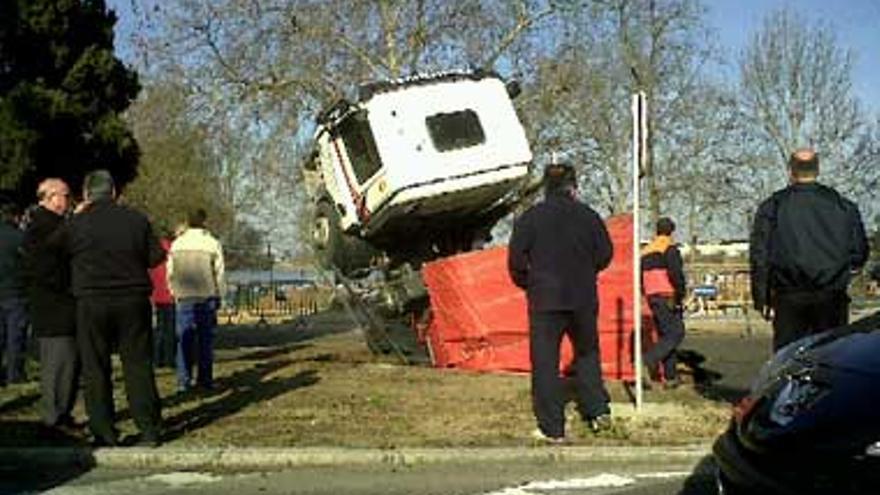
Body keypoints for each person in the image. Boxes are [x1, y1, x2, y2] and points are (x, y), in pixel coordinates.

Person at [507, 163, 614, 442]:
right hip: (582, 296)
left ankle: (552, 427)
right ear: (573, 187)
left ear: (545, 187)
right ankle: (597, 412)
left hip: (545, 299)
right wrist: (586, 271)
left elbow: (516, 262)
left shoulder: (531, 218)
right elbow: (605, 254)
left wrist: (529, 284)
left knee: (545, 363)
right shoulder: (589, 216)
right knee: (588, 355)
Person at [66, 170, 165, 447]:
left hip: (91, 299)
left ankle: (104, 430)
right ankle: (149, 428)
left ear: (87, 194)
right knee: (138, 364)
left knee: (95, 366)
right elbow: (156, 256)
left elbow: (58, 253)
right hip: (132, 298)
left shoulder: (78, 223)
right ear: (113, 192)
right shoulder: (136, 220)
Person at [750, 148, 869, 351]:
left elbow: (760, 256)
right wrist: (842, 272)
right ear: (818, 169)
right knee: (831, 357)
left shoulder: (773, 206)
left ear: (791, 171)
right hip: (831, 297)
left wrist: (761, 298)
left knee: (789, 360)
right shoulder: (843, 206)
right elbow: (859, 252)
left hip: (789, 298)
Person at [21, 179, 81, 430]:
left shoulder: (50, 225)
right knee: (58, 365)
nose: (68, 201)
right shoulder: (43, 227)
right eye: (64, 196)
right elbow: (45, 266)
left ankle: (60, 413)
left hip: (58, 305)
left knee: (66, 364)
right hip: (54, 306)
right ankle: (54, 417)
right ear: (50, 197)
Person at [167, 208, 225, 393]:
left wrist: (174, 292)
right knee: (205, 341)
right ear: (204, 221)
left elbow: (170, 273)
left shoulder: (177, 244)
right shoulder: (212, 243)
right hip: (206, 295)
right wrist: (220, 294)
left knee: (183, 339)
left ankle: (183, 380)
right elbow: (220, 273)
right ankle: (205, 380)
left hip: (184, 296)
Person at [641, 217, 686, 388]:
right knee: (676, 333)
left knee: (666, 335)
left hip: (652, 296)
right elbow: (676, 274)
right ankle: (647, 361)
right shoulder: (669, 248)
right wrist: (680, 295)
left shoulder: (645, 251)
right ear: (671, 231)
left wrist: (645, 294)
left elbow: (640, 278)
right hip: (667, 294)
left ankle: (670, 376)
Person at [0, 200, 28, 386]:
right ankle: (14, 374)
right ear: (16, 216)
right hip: (16, 292)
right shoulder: (20, 237)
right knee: (15, 336)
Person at [149, 234, 175, 369]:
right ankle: (170, 358)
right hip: (170, 294)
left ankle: (157, 359)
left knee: (159, 328)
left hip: (157, 294)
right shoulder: (173, 249)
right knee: (170, 329)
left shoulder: (153, 250)